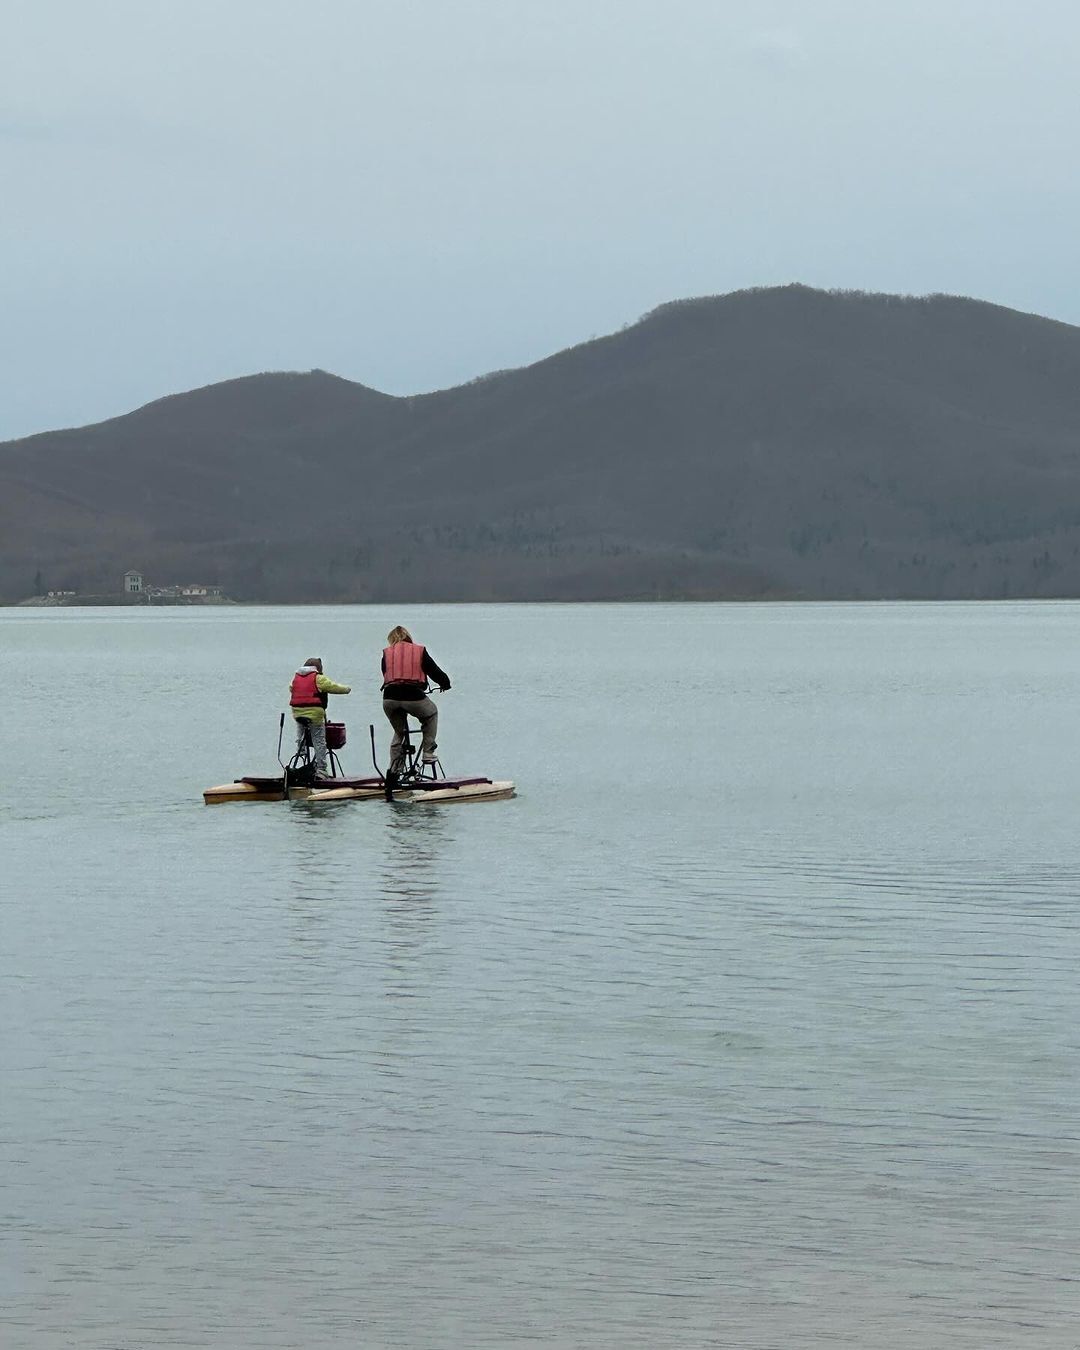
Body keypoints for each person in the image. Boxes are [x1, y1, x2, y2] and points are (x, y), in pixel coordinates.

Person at [381, 626, 450, 771]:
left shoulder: (387, 653)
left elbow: (386, 674)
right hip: (413, 695)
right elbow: (434, 671)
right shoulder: (418, 651)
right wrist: (445, 683)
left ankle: (394, 770)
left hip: (389, 698)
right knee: (431, 713)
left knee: (399, 732)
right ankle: (428, 752)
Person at [289, 656, 351, 775]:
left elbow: (291, 688)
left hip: (297, 712)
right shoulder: (318, 678)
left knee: (301, 729)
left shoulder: (295, 678)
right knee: (319, 740)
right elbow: (333, 687)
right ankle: (322, 769)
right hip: (314, 714)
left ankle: (301, 751)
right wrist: (347, 689)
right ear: (318, 668)